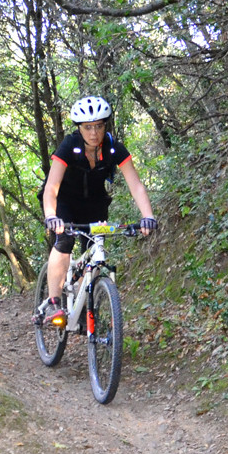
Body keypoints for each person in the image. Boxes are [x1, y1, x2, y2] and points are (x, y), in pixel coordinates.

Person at [39, 95, 158, 325]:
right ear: (79, 128)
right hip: (64, 201)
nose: (94, 133)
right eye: (88, 127)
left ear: (105, 126)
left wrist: (148, 216)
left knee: (94, 250)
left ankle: (83, 303)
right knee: (64, 241)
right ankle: (54, 302)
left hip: (94, 204)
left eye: (99, 126)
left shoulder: (113, 149)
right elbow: (51, 187)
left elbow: (136, 185)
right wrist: (52, 216)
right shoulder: (69, 146)